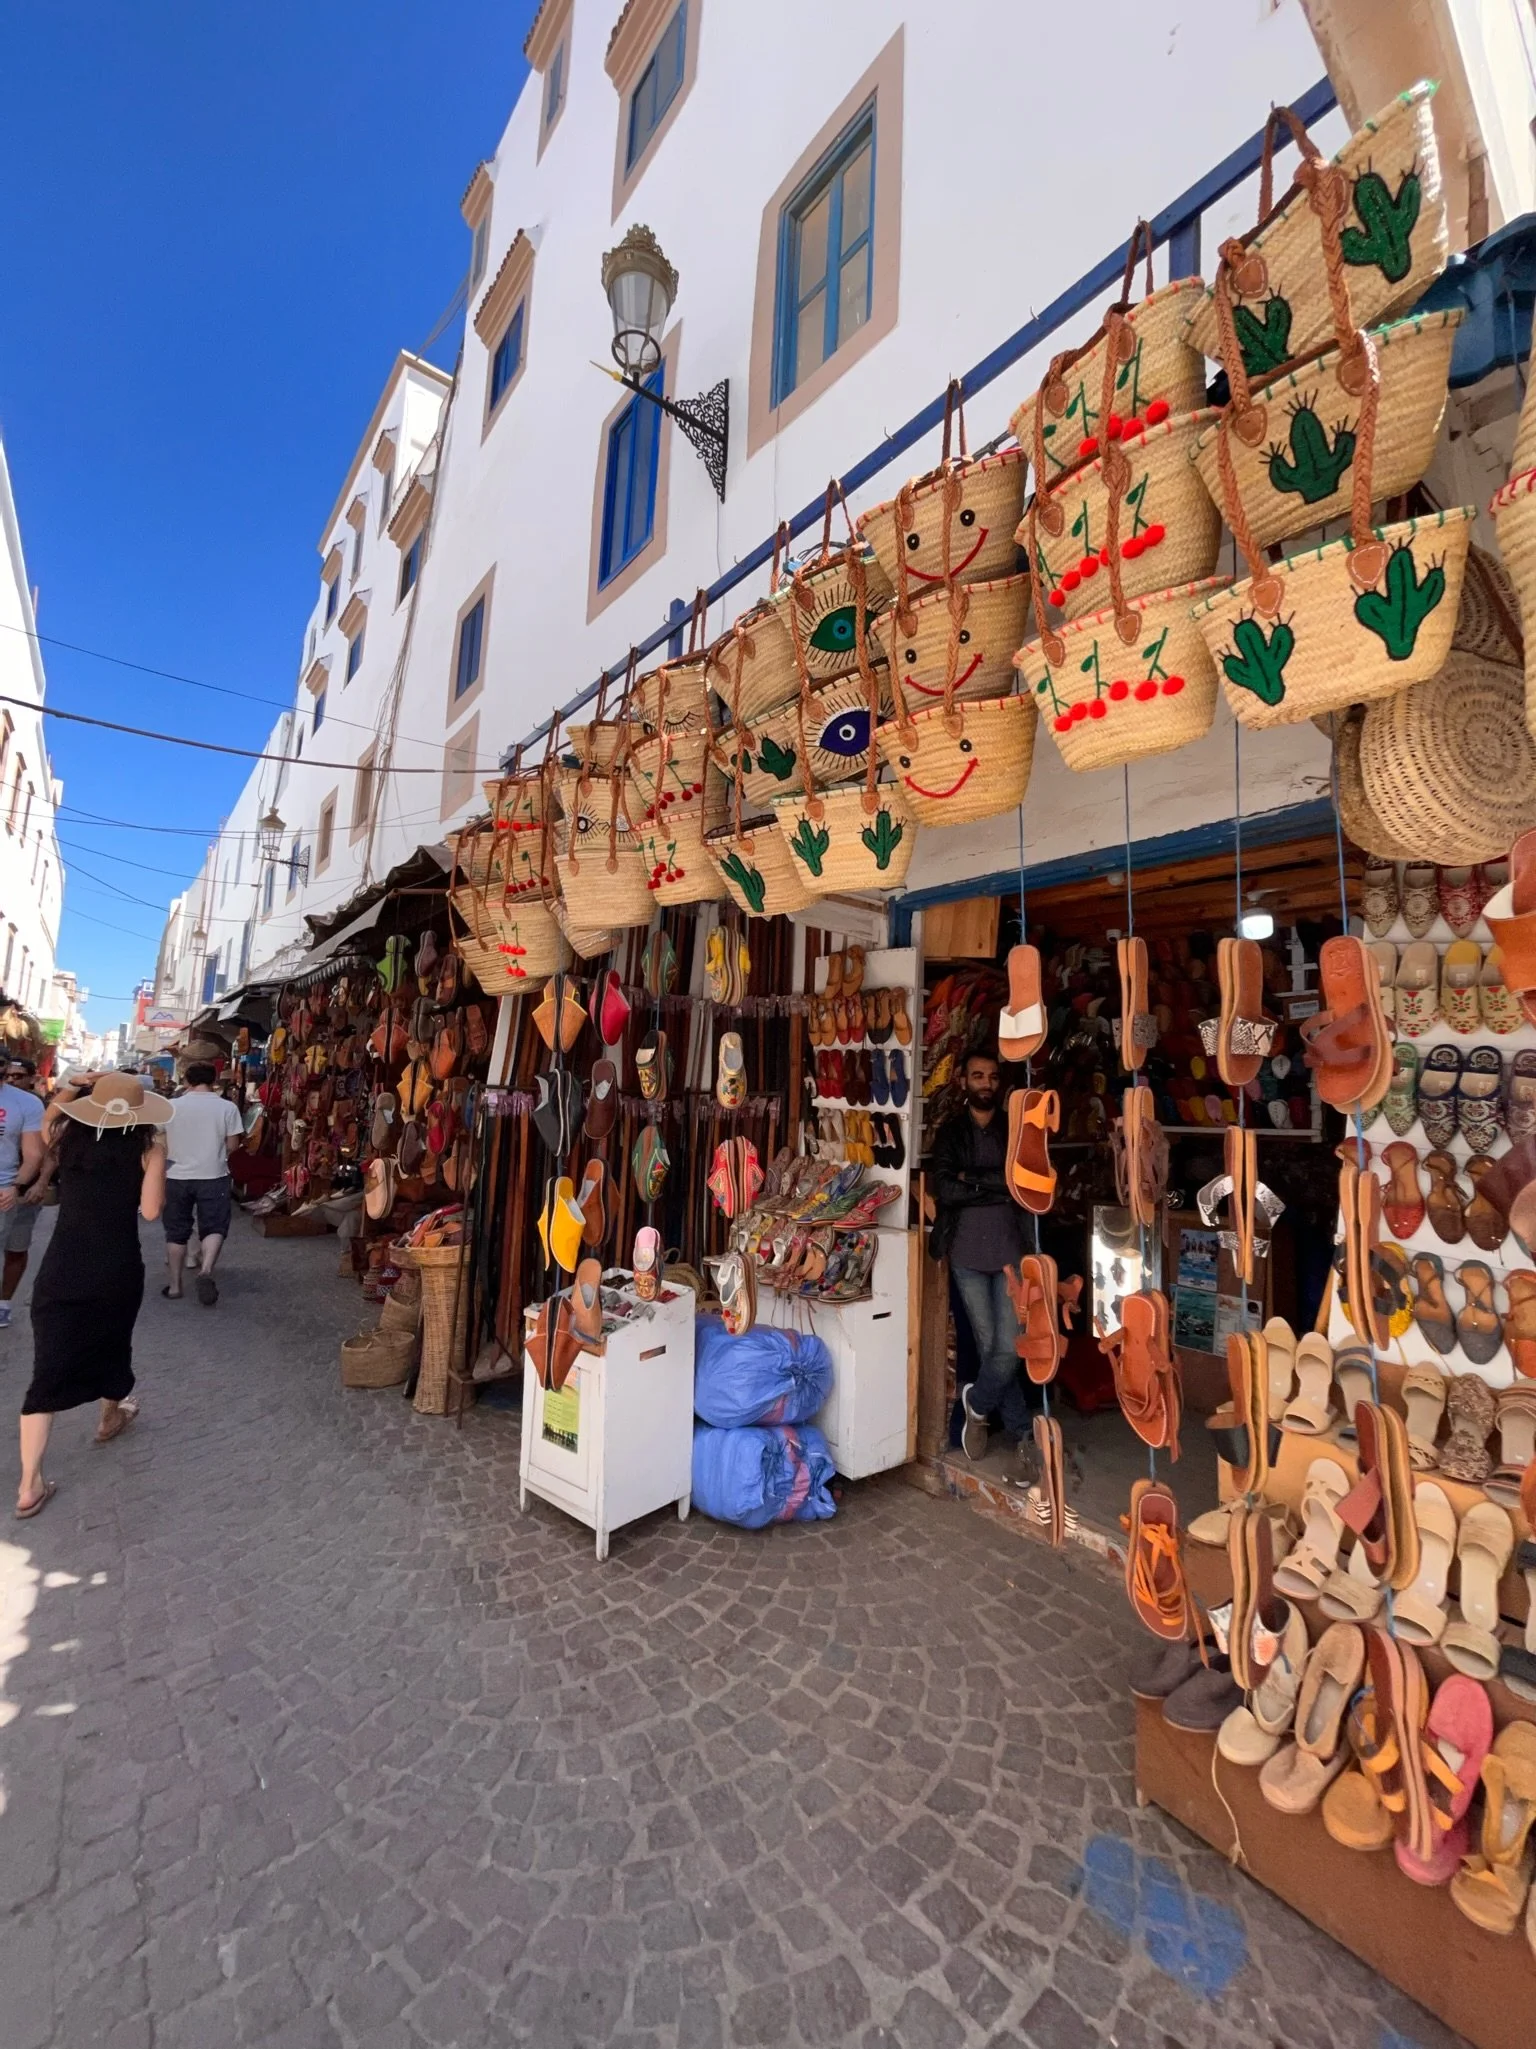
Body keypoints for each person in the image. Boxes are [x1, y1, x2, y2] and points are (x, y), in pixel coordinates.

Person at [16, 1072, 169, 1520]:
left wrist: (71, 1084)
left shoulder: (66, 1140)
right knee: (113, 1338)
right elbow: (151, 1211)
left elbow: (48, 1118)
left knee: (47, 1368)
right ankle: (109, 1414)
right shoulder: (148, 1148)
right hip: (116, 1264)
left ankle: (29, 1485)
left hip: (62, 1266)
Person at [930, 1048, 1033, 1460]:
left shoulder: (1014, 1130)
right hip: (968, 1255)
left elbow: (1025, 1184)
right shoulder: (951, 1133)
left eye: (991, 1076)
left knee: (1008, 1349)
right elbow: (945, 1189)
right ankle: (1024, 1431)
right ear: (963, 1082)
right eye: (977, 1076)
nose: (985, 1083)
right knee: (995, 1348)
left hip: (1011, 1254)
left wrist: (972, 1180)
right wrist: (997, 1183)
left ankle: (976, 1406)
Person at [162, 1061, 243, 1305]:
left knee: (176, 1231)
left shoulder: (170, 1107)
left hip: (176, 1175)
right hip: (214, 1175)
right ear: (214, 1080)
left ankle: (175, 1286)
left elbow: (158, 1139)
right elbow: (233, 1146)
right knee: (214, 1226)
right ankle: (205, 1270)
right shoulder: (227, 1108)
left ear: (186, 1080)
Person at [0, 1058, 48, 1331]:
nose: (13, 1079)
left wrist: (25, 1184)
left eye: (19, 1074)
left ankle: (4, 1303)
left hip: (12, 1187)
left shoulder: (29, 1103)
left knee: (16, 1249)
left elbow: (39, 1153)